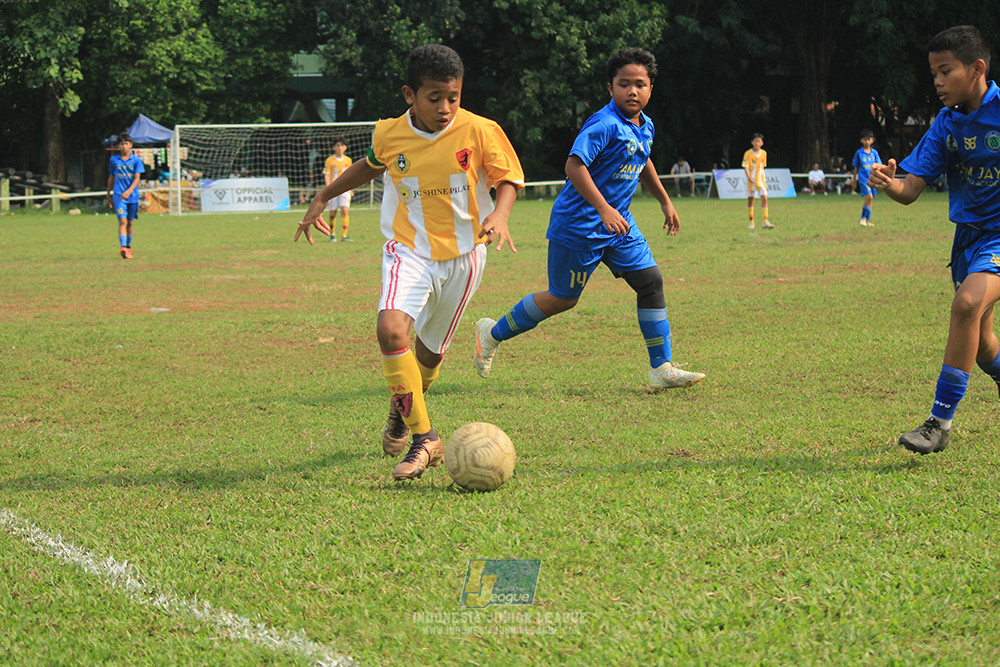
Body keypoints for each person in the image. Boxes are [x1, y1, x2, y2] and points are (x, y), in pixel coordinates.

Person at [295, 44, 524, 480]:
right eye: (434, 97)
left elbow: (508, 177)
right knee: (391, 328)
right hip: (409, 249)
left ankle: (402, 414)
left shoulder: (480, 130)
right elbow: (370, 166)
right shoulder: (390, 134)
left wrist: (500, 212)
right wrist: (323, 196)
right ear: (409, 95)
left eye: (453, 97)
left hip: (465, 257)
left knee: (429, 355)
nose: (445, 107)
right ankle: (425, 438)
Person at [472, 48, 705, 392]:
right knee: (563, 299)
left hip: (619, 226)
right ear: (610, 87)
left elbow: (643, 161)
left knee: (651, 281)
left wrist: (665, 201)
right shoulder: (603, 123)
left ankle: (662, 368)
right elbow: (574, 167)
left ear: (651, 88)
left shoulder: (645, 124)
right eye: (624, 84)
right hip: (579, 226)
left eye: (640, 84)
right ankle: (492, 333)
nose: (632, 91)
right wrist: (603, 208)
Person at [868, 25, 1000, 455]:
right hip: (967, 242)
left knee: (965, 304)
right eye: (934, 74)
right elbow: (910, 192)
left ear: (977, 68)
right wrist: (889, 184)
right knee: (981, 345)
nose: (938, 82)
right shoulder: (945, 124)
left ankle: (938, 424)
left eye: (946, 71)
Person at [105, 132, 145, 259]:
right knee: (122, 221)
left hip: (132, 196)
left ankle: (128, 246)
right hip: (119, 196)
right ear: (118, 146)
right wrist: (108, 193)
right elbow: (111, 177)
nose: (124, 146)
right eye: (121, 144)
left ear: (131, 145)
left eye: (126, 144)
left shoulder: (137, 160)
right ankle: (123, 247)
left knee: (130, 222)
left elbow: (137, 178)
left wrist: (129, 191)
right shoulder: (113, 160)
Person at [323, 138, 353, 242]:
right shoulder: (330, 160)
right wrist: (328, 189)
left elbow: (351, 175)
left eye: (342, 145)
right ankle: (332, 234)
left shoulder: (348, 160)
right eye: (338, 145)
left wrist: (352, 188)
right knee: (332, 213)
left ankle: (344, 236)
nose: (340, 148)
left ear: (345, 147)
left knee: (344, 210)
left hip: (345, 189)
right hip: (333, 189)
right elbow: (326, 174)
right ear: (334, 147)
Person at [743, 133, 774, 229]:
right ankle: (751, 222)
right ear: (752, 142)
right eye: (755, 141)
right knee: (751, 199)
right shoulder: (748, 153)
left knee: (764, 198)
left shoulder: (764, 153)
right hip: (750, 180)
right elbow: (746, 167)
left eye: (759, 141)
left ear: (762, 143)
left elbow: (762, 167)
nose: (757, 143)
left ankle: (765, 221)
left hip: (761, 180)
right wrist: (749, 177)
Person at [853, 129, 883, 226]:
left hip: (873, 178)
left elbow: (879, 165)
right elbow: (856, 167)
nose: (866, 141)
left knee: (871, 199)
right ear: (861, 140)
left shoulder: (874, 153)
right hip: (864, 178)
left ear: (872, 141)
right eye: (864, 139)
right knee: (869, 196)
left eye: (868, 139)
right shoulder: (859, 153)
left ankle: (867, 221)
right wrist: (854, 179)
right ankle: (863, 218)